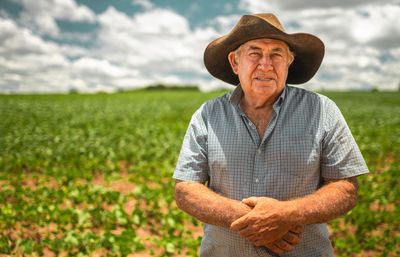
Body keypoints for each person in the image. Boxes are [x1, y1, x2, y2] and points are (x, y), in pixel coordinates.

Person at [173, 13, 369, 257]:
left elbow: (345, 188)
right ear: (235, 62)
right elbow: (186, 189)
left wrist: (287, 215)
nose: (265, 64)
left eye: (276, 54)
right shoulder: (207, 115)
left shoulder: (322, 110)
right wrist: (255, 220)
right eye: (254, 53)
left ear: (289, 61)